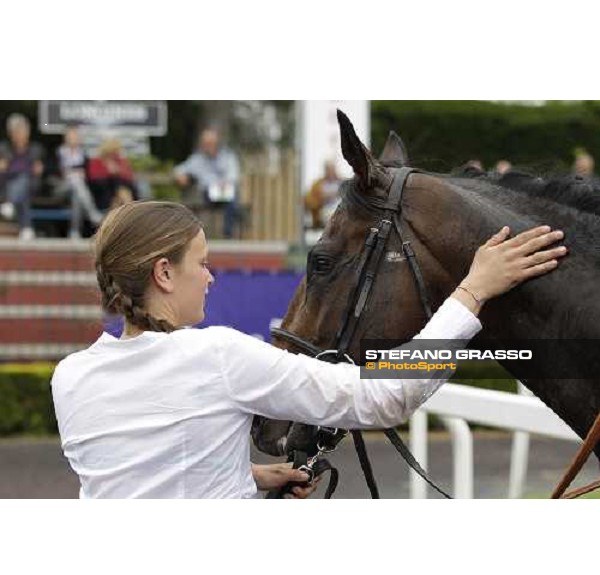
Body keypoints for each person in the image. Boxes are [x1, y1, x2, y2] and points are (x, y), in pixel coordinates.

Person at [50, 201, 567, 499]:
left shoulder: (70, 377)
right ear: (164, 273)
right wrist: (472, 292)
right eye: (201, 263)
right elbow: (382, 398)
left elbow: (139, 476)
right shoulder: (217, 356)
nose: (210, 277)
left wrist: (247, 477)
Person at [173, 128, 241, 238]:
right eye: (205, 143)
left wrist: (225, 182)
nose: (207, 146)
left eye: (210, 143)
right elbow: (180, 169)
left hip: (225, 191)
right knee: (230, 200)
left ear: (217, 143)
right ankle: (197, 235)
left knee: (232, 199)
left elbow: (234, 175)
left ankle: (228, 234)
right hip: (207, 194)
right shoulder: (197, 159)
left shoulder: (228, 156)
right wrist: (180, 175)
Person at [0, 113, 45, 240]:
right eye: (16, 131)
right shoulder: (4, 148)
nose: (19, 134)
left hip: (31, 184)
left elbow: (37, 171)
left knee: (24, 179)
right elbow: (2, 171)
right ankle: (27, 228)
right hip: (8, 185)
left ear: (28, 132)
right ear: (11, 133)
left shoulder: (36, 149)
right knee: (21, 191)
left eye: (22, 130)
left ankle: (10, 203)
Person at [57, 126, 105, 239]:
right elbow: (55, 171)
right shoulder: (59, 152)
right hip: (61, 186)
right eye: (71, 137)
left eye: (75, 137)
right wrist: (72, 171)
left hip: (79, 189)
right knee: (77, 183)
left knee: (77, 194)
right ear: (65, 138)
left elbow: (87, 174)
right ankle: (92, 214)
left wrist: (73, 171)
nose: (73, 139)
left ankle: (74, 231)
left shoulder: (84, 154)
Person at [87, 138, 137, 212]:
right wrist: (109, 172)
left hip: (119, 190)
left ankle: (125, 208)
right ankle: (128, 209)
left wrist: (118, 171)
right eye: (113, 152)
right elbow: (93, 177)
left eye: (116, 152)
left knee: (122, 186)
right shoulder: (96, 161)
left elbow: (129, 176)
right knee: (116, 185)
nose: (115, 154)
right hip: (103, 191)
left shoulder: (121, 161)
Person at [304, 161, 342, 229]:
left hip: (341, 210)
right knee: (329, 216)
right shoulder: (318, 184)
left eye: (332, 169)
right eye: (328, 170)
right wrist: (326, 196)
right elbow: (311, 200)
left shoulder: (341, 183)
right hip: (324, 210)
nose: (330, 172)